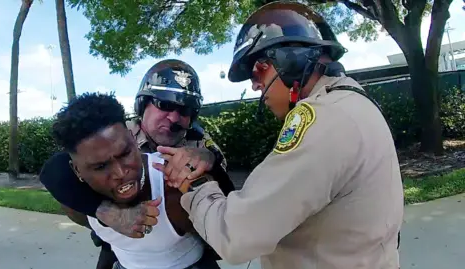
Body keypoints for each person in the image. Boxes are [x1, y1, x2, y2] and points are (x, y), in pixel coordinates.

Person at [155, 2, 404, 269]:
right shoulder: (352, 103)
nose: (254, 85)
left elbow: (236, 234)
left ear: (291, 60)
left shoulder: (322, 120)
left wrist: (193, 183)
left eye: (258, 70)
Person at [39, 59, 235, 269]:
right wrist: (106, 212)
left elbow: (227, 210)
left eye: (185, 110)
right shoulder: (114, 130)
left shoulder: (200, 143)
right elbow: (55, 170)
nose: (174, 118)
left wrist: (209, 160)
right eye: (165, 105)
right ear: (143, 105)